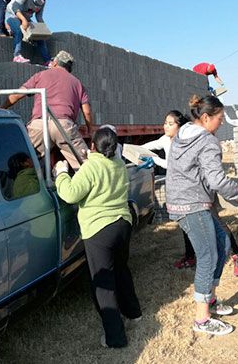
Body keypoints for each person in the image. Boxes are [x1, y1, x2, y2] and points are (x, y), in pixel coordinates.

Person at [166, 94, 238, 336]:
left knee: (224, 244)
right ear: (205, 117)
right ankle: (202, 319)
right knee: (207, 255)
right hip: (191, 204)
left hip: (183, 201)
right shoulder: (207, 141)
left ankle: (211, 300)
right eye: (219, 118)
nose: (222, 122)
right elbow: (217, 180)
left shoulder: (183, 132)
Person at [53, 127, 142, 348]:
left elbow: (70, 194)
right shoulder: (119, 164)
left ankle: (116, 338)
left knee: (103, 283)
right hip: (123, 224)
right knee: (121, 270)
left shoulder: (91, 166)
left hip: (99, 230)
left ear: (92, 146)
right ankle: (133, 312)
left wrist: (62, 173)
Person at [143, 110, 238, 276]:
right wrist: (131, 152)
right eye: (165, 123)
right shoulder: (166, 139)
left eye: (170, 124)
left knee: (217, 224)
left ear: (179, 126)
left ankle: (237, 254)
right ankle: (190, 256)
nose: (166, 126)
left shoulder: (187, 141)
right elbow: (147, 147)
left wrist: (155, 160)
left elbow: (179, 166)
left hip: (201, 191)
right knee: (187, 227)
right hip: (184, 193)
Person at [2, 50, 92, 170]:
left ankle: (23, 184)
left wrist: (0, 109)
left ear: (55, 63)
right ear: (69, 68)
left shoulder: (40, 75)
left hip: (39, 124)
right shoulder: (77, 83)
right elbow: (87, 111)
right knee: (87, 167)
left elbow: (17, 95)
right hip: (64, 127)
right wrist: (90, 130)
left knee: (26, 162)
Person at [5, 0, 50, 64]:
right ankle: (17, 55)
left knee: (40, 36)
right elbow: (15, 7)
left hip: (25, 18)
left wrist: (44, 29)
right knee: (18, 31)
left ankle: (47, 60)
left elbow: (39, 17)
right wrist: (23, 20)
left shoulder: (42, 0)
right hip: (13, 15)